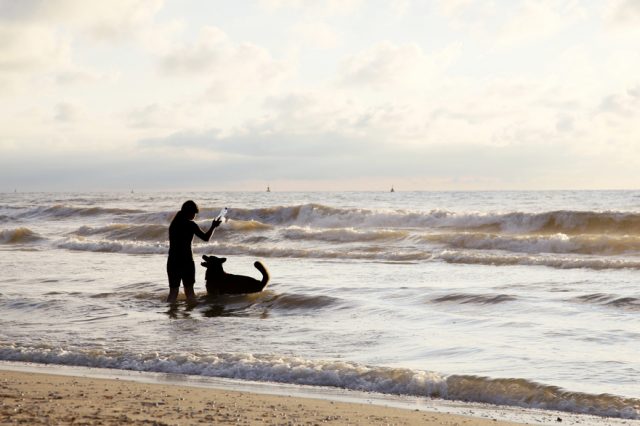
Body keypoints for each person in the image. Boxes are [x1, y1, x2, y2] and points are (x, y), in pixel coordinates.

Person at [166, 200, 221, 303]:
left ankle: (171, 314)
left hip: (172, 261)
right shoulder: (191, 225)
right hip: (186, 261)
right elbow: (205, 238)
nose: (195, 216)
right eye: (194, 213)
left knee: (173, 293)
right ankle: (189, 317)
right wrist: (213, 226)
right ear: (189, 212)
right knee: (190, 293)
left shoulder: (173, 225)